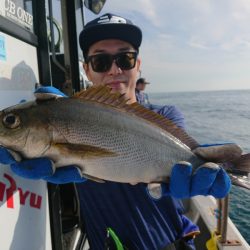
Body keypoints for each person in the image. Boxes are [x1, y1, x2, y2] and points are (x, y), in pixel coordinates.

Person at [0, 13, 231, 249]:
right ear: (87, 69)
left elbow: (182, 155)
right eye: (101, 62)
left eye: (125, 58)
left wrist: (200, 162)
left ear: (137, 65)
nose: (114, 70)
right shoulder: (67, 114)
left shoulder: (165, 116)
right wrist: (18, 140)